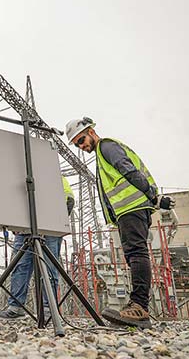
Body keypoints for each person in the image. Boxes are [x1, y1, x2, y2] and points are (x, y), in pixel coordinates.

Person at [65, 117, 175, 328]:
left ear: (91, 131)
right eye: (77, 144)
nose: (81, 146)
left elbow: (129, 170)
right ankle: (136, 305)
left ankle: (140, 307)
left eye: (81, 140)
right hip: (127, 211)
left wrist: (154, 197)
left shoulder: (106, 146)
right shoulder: (100, 154)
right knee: (133, 254)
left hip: (133, 207)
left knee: (136, 253)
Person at [0, 177, 75, 319]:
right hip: (24, 228)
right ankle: (16, 307)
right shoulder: (17, 177)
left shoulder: (55, 176)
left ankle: (48, 308)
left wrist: (54, 220)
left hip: (49, 227)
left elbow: (68, 199)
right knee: (20, 266)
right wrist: (13, 222)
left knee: (49, 268)